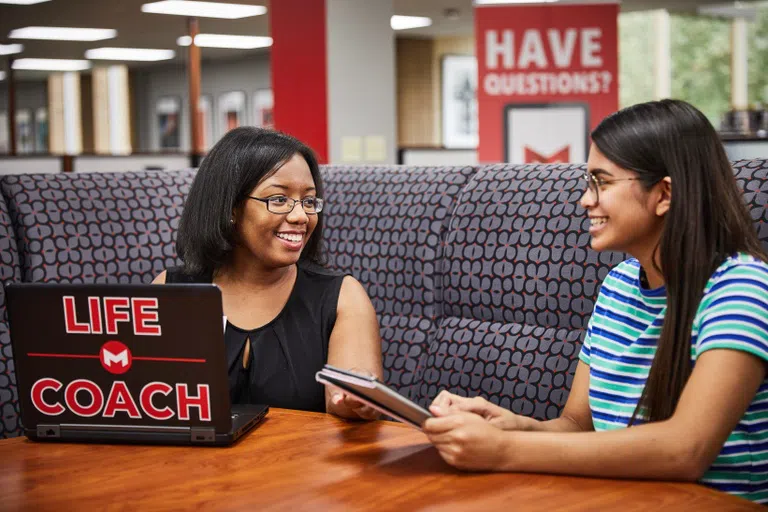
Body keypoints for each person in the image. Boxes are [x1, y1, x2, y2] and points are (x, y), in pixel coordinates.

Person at [422, 99, 768, 504]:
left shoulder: (743, 287)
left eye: (601, 182)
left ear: (664, 194)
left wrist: (502, 450)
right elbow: (576, 425)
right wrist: (508, 425)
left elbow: (684, 450)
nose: (586, 201)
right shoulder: (619, 286)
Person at [153, 127, 382, 420]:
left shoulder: (341, 297)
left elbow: (350, 396)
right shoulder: (172, 292)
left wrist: (354, 397)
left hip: (299, 464)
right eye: (279, 199)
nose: (301, 216)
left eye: (309, 201)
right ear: (231, 207)